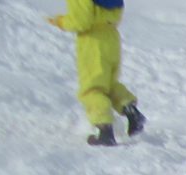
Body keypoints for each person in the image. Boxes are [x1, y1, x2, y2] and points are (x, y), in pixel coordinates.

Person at [45, 0, 146, 147]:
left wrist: (60, 21)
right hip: (111, 37)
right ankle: (132, 112)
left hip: (92, 42)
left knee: (92, 89)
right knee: (109, 84)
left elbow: (81, 21)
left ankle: (105, 131)